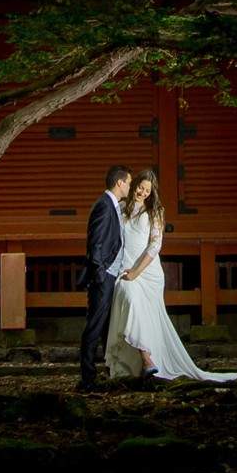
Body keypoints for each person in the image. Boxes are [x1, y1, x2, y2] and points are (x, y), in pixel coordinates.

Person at [105, 169, 237, 384]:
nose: (143, 193)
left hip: (147, 271)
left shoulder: (155, 211)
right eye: (140, 187)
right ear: (134, 185)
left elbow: (155, 245)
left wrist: (137, 271)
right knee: (129, 298)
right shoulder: (121, 208)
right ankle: (143, 359)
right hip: (126, 268)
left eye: (148, 190)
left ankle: (148, 362)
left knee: (148, 316)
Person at [76, 164, 132, 392]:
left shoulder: (113, 205)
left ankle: (109, 372)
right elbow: (96, 243)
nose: (130, 187)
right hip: (103, 276)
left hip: (111, 276)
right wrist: (100, 275)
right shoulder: (104, 205)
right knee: (94, 326)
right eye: (128, 182)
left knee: (108, 327)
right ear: (120, 182)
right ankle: (87, 380)